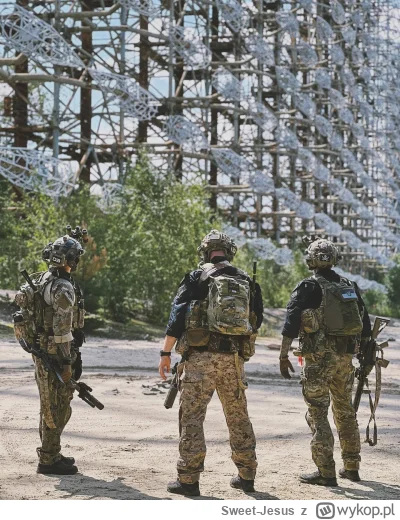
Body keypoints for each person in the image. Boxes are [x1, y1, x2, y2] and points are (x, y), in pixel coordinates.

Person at [159, 230, 263, 497]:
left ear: (205, 252)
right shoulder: (246, 280)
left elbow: (177, 317)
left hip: (199, 361)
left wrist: (165, 353)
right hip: (233, 361)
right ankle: (247, 474)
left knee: (192, 418)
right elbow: (256, 320)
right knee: (238, 417)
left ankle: (189, 480)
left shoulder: (197, 277)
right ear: (229, 252)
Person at [279, 237, 371, 487]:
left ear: (311, 260)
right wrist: (365, 355)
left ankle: (326, 471)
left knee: (317, 412)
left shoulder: (308, 286)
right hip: (345, 360)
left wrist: (283, 354)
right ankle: (352, 466)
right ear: (334, 258)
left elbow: (290, 323)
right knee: (345, 411)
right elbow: (366, 326)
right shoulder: (348, 285)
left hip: (318, 361)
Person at [14, 227, 86, 475]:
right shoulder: (62, 287)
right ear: (70, 260)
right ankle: (48, 458)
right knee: (57, 405)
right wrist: (67, 363)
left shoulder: (43, 279)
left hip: (42, 351)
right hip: (56, 354)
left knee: (49, 403)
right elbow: (63, 328)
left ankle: (50, 452)